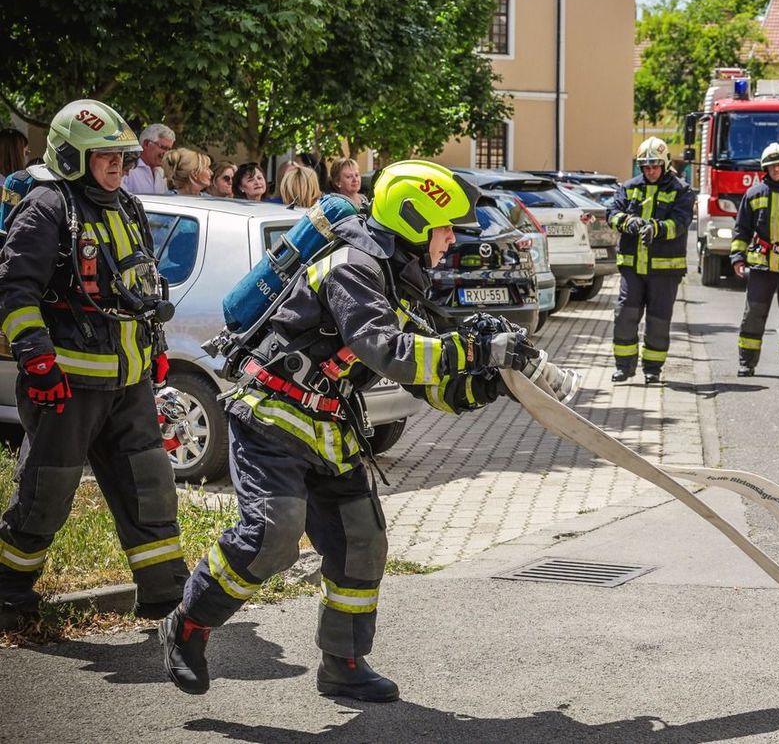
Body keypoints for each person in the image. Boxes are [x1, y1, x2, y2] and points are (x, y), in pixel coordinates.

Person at [159, 160, 548, 702]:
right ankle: (188, 624)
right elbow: (385, 351)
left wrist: (492, 382)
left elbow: (428, 382)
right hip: (274, 415)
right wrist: (476, 348)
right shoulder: (352, 265)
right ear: (414, 221)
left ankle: (342, 662)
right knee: (273, 535)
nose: (449, 242)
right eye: (444, 230)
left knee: (362, 541)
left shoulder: (402, 282)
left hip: (329, 426)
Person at [0, 100, 185, 626]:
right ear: (71, 156)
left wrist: (157, 352)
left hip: (129, 385)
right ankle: (8, 591)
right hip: (67, 387)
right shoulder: (46, 206)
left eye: (122, 158)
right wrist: (38, 362)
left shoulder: (126, 205)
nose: (117, 167)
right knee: (46, 495)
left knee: (150, 488)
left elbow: (143, 283)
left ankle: (166, 597)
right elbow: (14, 292)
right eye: (104, 157)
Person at [604, 137, 692, 384]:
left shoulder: (681, 190)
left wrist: (658, 229)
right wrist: (627, 222)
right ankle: (624, 367)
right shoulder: (629, 187)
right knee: (624, 316)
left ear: (664, 165)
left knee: (658, 321)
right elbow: (611, 213)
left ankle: (652, 369)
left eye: (654, 166)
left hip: (665, 270)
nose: (650, 171)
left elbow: (681, 222)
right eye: (646, 166)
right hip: (632, 267)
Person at [730, 143, 779, 378]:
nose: (778, 169)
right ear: (765, 169)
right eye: (773, 166)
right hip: (761, 265)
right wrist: (738, 258)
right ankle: (747, 363)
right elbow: (741, 230)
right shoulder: (754, 194)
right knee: (753, 315)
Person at [123, 123, 175, 195]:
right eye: (163, 148)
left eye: (169, 149)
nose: (166, 153)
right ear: (146, 144)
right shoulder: (127, 171)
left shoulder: (161, 172)